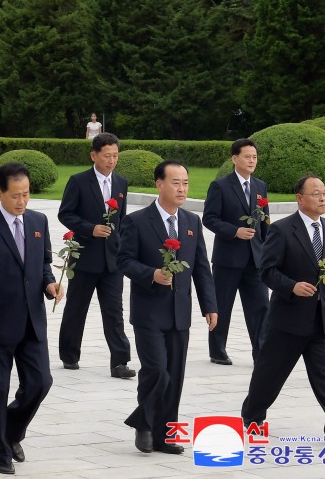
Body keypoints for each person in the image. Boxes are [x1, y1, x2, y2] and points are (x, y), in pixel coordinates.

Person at [241, 175, 325, 448]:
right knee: (269, 374)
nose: (322, 198)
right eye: (316, 193)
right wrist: (292, 286)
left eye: (324, 193)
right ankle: (253, 417)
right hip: (288, 320)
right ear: (300, 198)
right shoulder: (281, 230)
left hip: (322, 319)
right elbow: (266, 271)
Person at [0, 162, 62, 474]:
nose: (22, 201)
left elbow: (44, 263)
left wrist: (51, 284)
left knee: (41, 382)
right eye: (15, 196)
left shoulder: (38, 221)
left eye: (26, 195)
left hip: (32, 322)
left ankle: (10, 432)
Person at [117, 160, 217, 455]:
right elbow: (123, 261)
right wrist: (152, 274)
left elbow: (201, 267)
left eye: (185, 182)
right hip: (148, 311)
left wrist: (209, 306)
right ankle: (144, 426)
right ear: (159, 184)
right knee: (157, 371)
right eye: (175, 182)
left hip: (179, 313)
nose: (182, 188)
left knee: (175, 375)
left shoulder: (191, 222)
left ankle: (165, 433)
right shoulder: (137, 221)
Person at [57, 132, 134, 378]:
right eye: (107, 156)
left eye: (115, 156)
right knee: (76, 309)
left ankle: (120, 362)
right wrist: (90, 229)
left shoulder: (121, 183)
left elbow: (121, 219)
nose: (111, 161)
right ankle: (69, 355)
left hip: (113, 260)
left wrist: (121, 244)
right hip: (84, 257)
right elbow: (65, 214)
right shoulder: (78, 181)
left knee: (114, 313)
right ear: (94, 155)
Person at [203, 138, 270, 365]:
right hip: (228, 260)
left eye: (254, 157)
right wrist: (235, 231)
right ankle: (217, 350)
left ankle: (261, 351)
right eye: (247, 157)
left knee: (261, 307)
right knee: (222, 305)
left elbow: (265, 222)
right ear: (234, 158)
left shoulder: (260, 186)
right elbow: (209, 219)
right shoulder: (220, 186)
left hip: (256, 259)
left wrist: (270, 251)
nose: (252, 161)